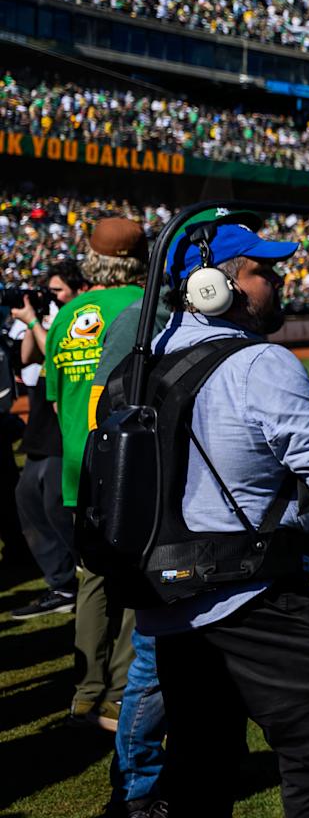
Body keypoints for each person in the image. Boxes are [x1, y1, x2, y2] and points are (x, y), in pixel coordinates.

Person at [140, 215, 309, 817]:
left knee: (202, 758)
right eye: (264, 270)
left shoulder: (140, 365)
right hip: (252, 593)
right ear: (216, 284)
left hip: (170, 599)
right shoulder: (258, 363)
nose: (278, 280)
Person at [46, 220, 147, 733]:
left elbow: (53, 397)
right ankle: (120, 693)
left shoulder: (66, 315)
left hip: (76, 468)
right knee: (133, 578)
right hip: (129, 467)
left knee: (92, 579)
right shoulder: (149, 305)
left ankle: (85, 694)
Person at [9, 266, 77, 619]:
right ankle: (62, 581)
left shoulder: (75, 323)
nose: (52, 296)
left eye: (58, 290)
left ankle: (79, 572)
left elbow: (56, 357)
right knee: (27, 499)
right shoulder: (47, 322)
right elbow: (27, 357)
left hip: (60, 425)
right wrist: (33, 319)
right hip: (40, 423)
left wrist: (37, 321)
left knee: (55, 505)